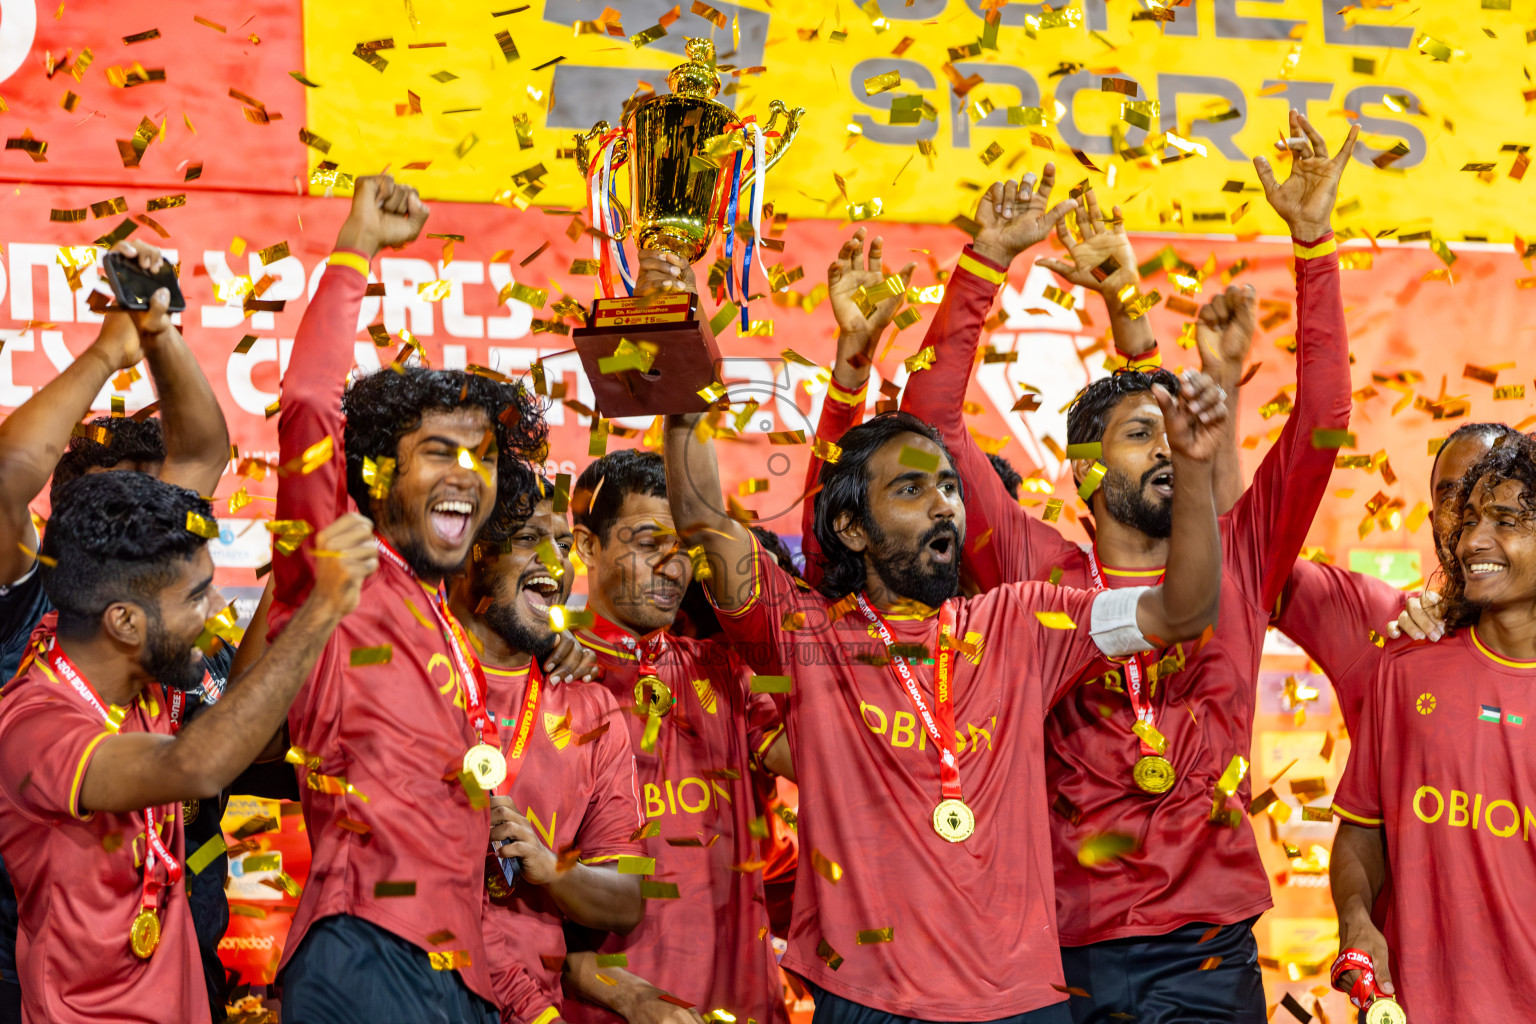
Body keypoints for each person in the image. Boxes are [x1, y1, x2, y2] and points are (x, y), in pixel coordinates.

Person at [878, 111, 1355, 1022]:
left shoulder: (1239, 560)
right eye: (1142, 434)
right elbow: (930, 423)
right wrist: (984, 263)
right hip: (1057, 948)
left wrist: (1312, 243)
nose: (1169, 447)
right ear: (1088, 472)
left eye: (1175, 430)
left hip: (1207, 954)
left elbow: (1324, 419)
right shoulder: (1034, 565)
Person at [661, 304, 1228, 1024]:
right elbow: (706, 521)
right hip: (871, 1000)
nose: (945, 507)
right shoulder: (805, 636)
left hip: (1023, 1003)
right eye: (911, 490)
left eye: (951, 488)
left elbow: (1179, 613)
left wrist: (1200, 472)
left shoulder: (1025, 620)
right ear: (849, 526)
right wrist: (680, 360)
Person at [270, 175, 547, 1023]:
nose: (468, 472)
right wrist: (357, 248)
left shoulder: (448, 619)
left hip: (459, 974)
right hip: (364, 948)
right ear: (380, 473)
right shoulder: (339, 570)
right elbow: (310, 404)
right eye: (437, 451)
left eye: (484, 457)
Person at [0, 471, 376, 1024]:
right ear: (125, 622)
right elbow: (196, 765)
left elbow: (249, 733)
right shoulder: (35, 727)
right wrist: (320, 611)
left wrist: (303, 553)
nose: (216, 607)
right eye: (197, 597)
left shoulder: (144, 683)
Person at [0, 240, 232, 1022]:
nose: (138, 518)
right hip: (30, 947)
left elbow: (201, 451)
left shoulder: (167, 596)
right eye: (108, 505)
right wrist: (109, 349)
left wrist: (161, 331)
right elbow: (7, 476)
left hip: (173, 927)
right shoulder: (31, 597)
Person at [557, 446, 788, 1024]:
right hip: (609, 1010)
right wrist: (622, 994)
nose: (671, 566)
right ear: (587, 545)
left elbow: (827, 750)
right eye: (646, 542)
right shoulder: (548, 681)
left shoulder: (727, 671)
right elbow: (512, 894)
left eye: (684, 548)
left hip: (743, 1005)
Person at [1330, 432, 1536, 1019]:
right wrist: (1357, 920)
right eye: (1470, 519)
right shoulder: (1405, 664)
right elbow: (1362, 828)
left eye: (1505, 520)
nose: (1473, 540)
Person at [447, 479, 645, 1024]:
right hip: (414, 990)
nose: (553, 560)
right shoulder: (417, 673)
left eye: (561, 544)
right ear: (469, 554)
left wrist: (553, 869)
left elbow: (626, 902)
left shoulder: (592, 709)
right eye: (529, 537)